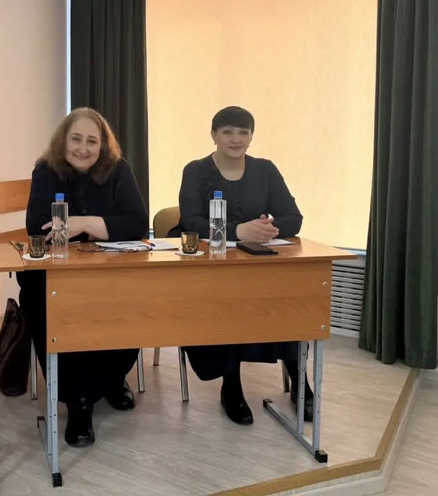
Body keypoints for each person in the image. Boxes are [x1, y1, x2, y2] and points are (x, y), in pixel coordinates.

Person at [170, 106, 314, 425]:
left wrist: (264, 229)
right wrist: (239, 231)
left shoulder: (265, 170)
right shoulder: (196, 171)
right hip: (212, 270)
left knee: (291, 299)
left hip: (258, 267)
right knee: (225, 304)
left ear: (251, 137)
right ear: (213, 135)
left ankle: (300, 382)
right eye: (227, 132)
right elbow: (191, 222)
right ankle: (231, 386)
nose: (236, 139)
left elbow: (293, 218)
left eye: (243, 132)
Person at [17, 107, 149, 447]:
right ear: (63, 141)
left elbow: (137, 223)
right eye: (76, 139)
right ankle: (78, 402)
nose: (83, 148)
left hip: (108, 271)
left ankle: (112, 378)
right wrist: (102, 226)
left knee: (132, 297)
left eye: (92, 141)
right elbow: (36, 227)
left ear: (102, 145)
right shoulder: (45, 171)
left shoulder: (119, 169)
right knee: (46, 305)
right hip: (56, 275)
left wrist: (84, 223)